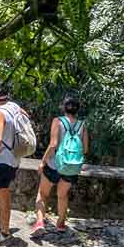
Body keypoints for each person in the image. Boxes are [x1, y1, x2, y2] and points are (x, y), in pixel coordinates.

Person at [33, 95, 89, 235]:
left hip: (53, 165)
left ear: (63, 107)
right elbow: (85, 149)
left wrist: (43, 162)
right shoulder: (82, 125)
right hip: (71, 167)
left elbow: (53, 145)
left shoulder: (57, 121)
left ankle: (40, 222)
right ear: (77, 110)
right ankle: (61, 224)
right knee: (62, 196)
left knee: (42, 194)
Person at [0, 81, 22, 244]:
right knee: (4, 193)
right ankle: (2, 223)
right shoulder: (14, 106)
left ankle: (4, 232)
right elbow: (26, 118)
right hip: (15, 157)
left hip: (3, 160)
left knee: (2, 196)